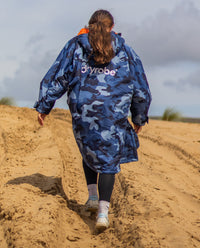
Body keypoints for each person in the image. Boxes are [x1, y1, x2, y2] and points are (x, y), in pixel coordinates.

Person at [34, 9, 151, 231]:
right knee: (108, 159)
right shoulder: (124, 49)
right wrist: (139, 116)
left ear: (89, 25)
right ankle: (103, 214)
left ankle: (92, 197)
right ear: (111, 27)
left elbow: (59, 77)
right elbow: (140, 87)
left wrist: (44, 105)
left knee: (89, 150)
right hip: (113, 113)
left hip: (82, 111)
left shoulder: (75, 45)